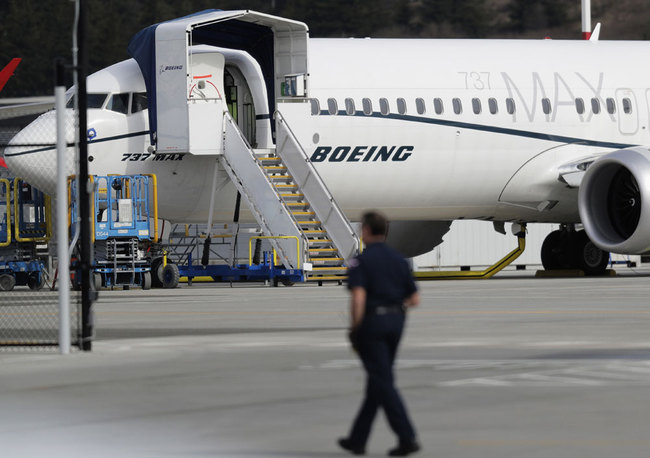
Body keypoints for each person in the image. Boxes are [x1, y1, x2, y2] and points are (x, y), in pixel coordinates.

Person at [338, 211, 421, 457]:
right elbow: (414, 299)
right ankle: (357, 440)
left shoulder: (361, 261)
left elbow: (358, 296)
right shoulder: (399, 260)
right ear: (385, 231)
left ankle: (407, 437)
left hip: (373, 323)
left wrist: (355, 327)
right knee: (379, 379)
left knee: (382, 382)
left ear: (365, 231)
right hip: (397, 321)